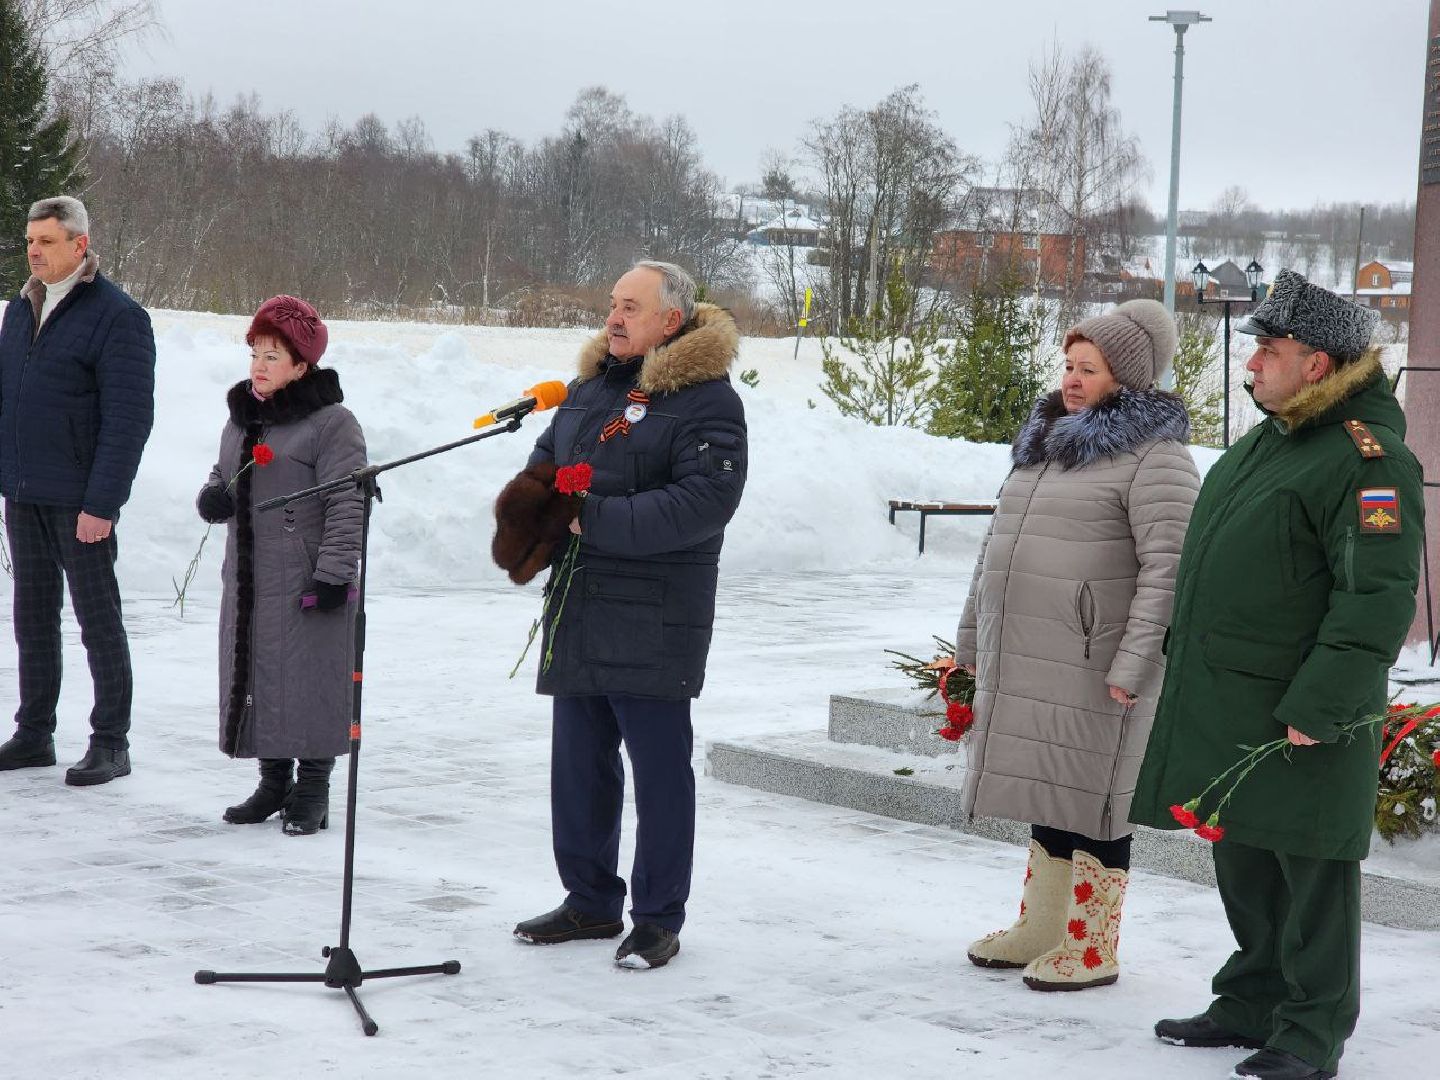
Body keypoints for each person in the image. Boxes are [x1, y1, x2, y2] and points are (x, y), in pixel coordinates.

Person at [1130, 271, 1424, 1080]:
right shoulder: (1277, 436)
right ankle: (1253, 996)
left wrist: (1323, 702)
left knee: (1313, 869)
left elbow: (1377, 596)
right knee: (1246, 855)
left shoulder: (1369, 463)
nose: (1253, 360)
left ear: (1319, 364)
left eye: (1271, 347)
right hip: (1235, 696)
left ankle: (1311, 1027)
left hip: (1302, 708)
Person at [493, 260, 746, 969]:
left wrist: (588, 519)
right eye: (612, 304)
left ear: (672, 320)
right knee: (578, 766)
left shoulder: (708, 402)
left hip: (655, 616)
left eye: (630, 307)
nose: (614, 317)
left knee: (659, 773)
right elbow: (545, 466)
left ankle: (658, 917)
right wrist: (526, 508)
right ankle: (589, 902)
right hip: (579, 606)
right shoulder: (585, 391)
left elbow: (703, 505)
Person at [954, 299, 1200, 991]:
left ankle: (1092, 945)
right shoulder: (1043, 447)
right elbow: (992, 555)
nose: (1072, 378)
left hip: (1099, 665)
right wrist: (970, 642)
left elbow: (1171, 570)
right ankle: (1042, 925)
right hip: (1030, 654)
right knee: (1049, 789)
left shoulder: (1158, 459)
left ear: (1127, 377)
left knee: (1097, 799)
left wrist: (1138, 663)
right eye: (1068, 364)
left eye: (1088, 368)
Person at [195, 296, 366, 836]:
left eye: (274, 355)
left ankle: (313, 784)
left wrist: (335, 572)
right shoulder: (243, 417)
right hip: (251, 577)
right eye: (256, 353)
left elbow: (348, 500)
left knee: (312, 676)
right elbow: (220, 475)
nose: (261, 365)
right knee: (261, 673)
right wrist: (212, 497)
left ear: (301, 366)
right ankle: (274, 781)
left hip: (306, 576)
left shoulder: (331, 422)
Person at [0, 196, 155, 785]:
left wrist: (102, 504)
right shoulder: (21, 309)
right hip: (24, 490)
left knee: (98, 620)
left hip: (81, 501)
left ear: (79, 245)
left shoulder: (117, 316)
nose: (34, 250)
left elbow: (128, 419)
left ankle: (111, 742)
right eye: (30, 240)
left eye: (46, 240)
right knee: (32, 618)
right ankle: (34, 733)